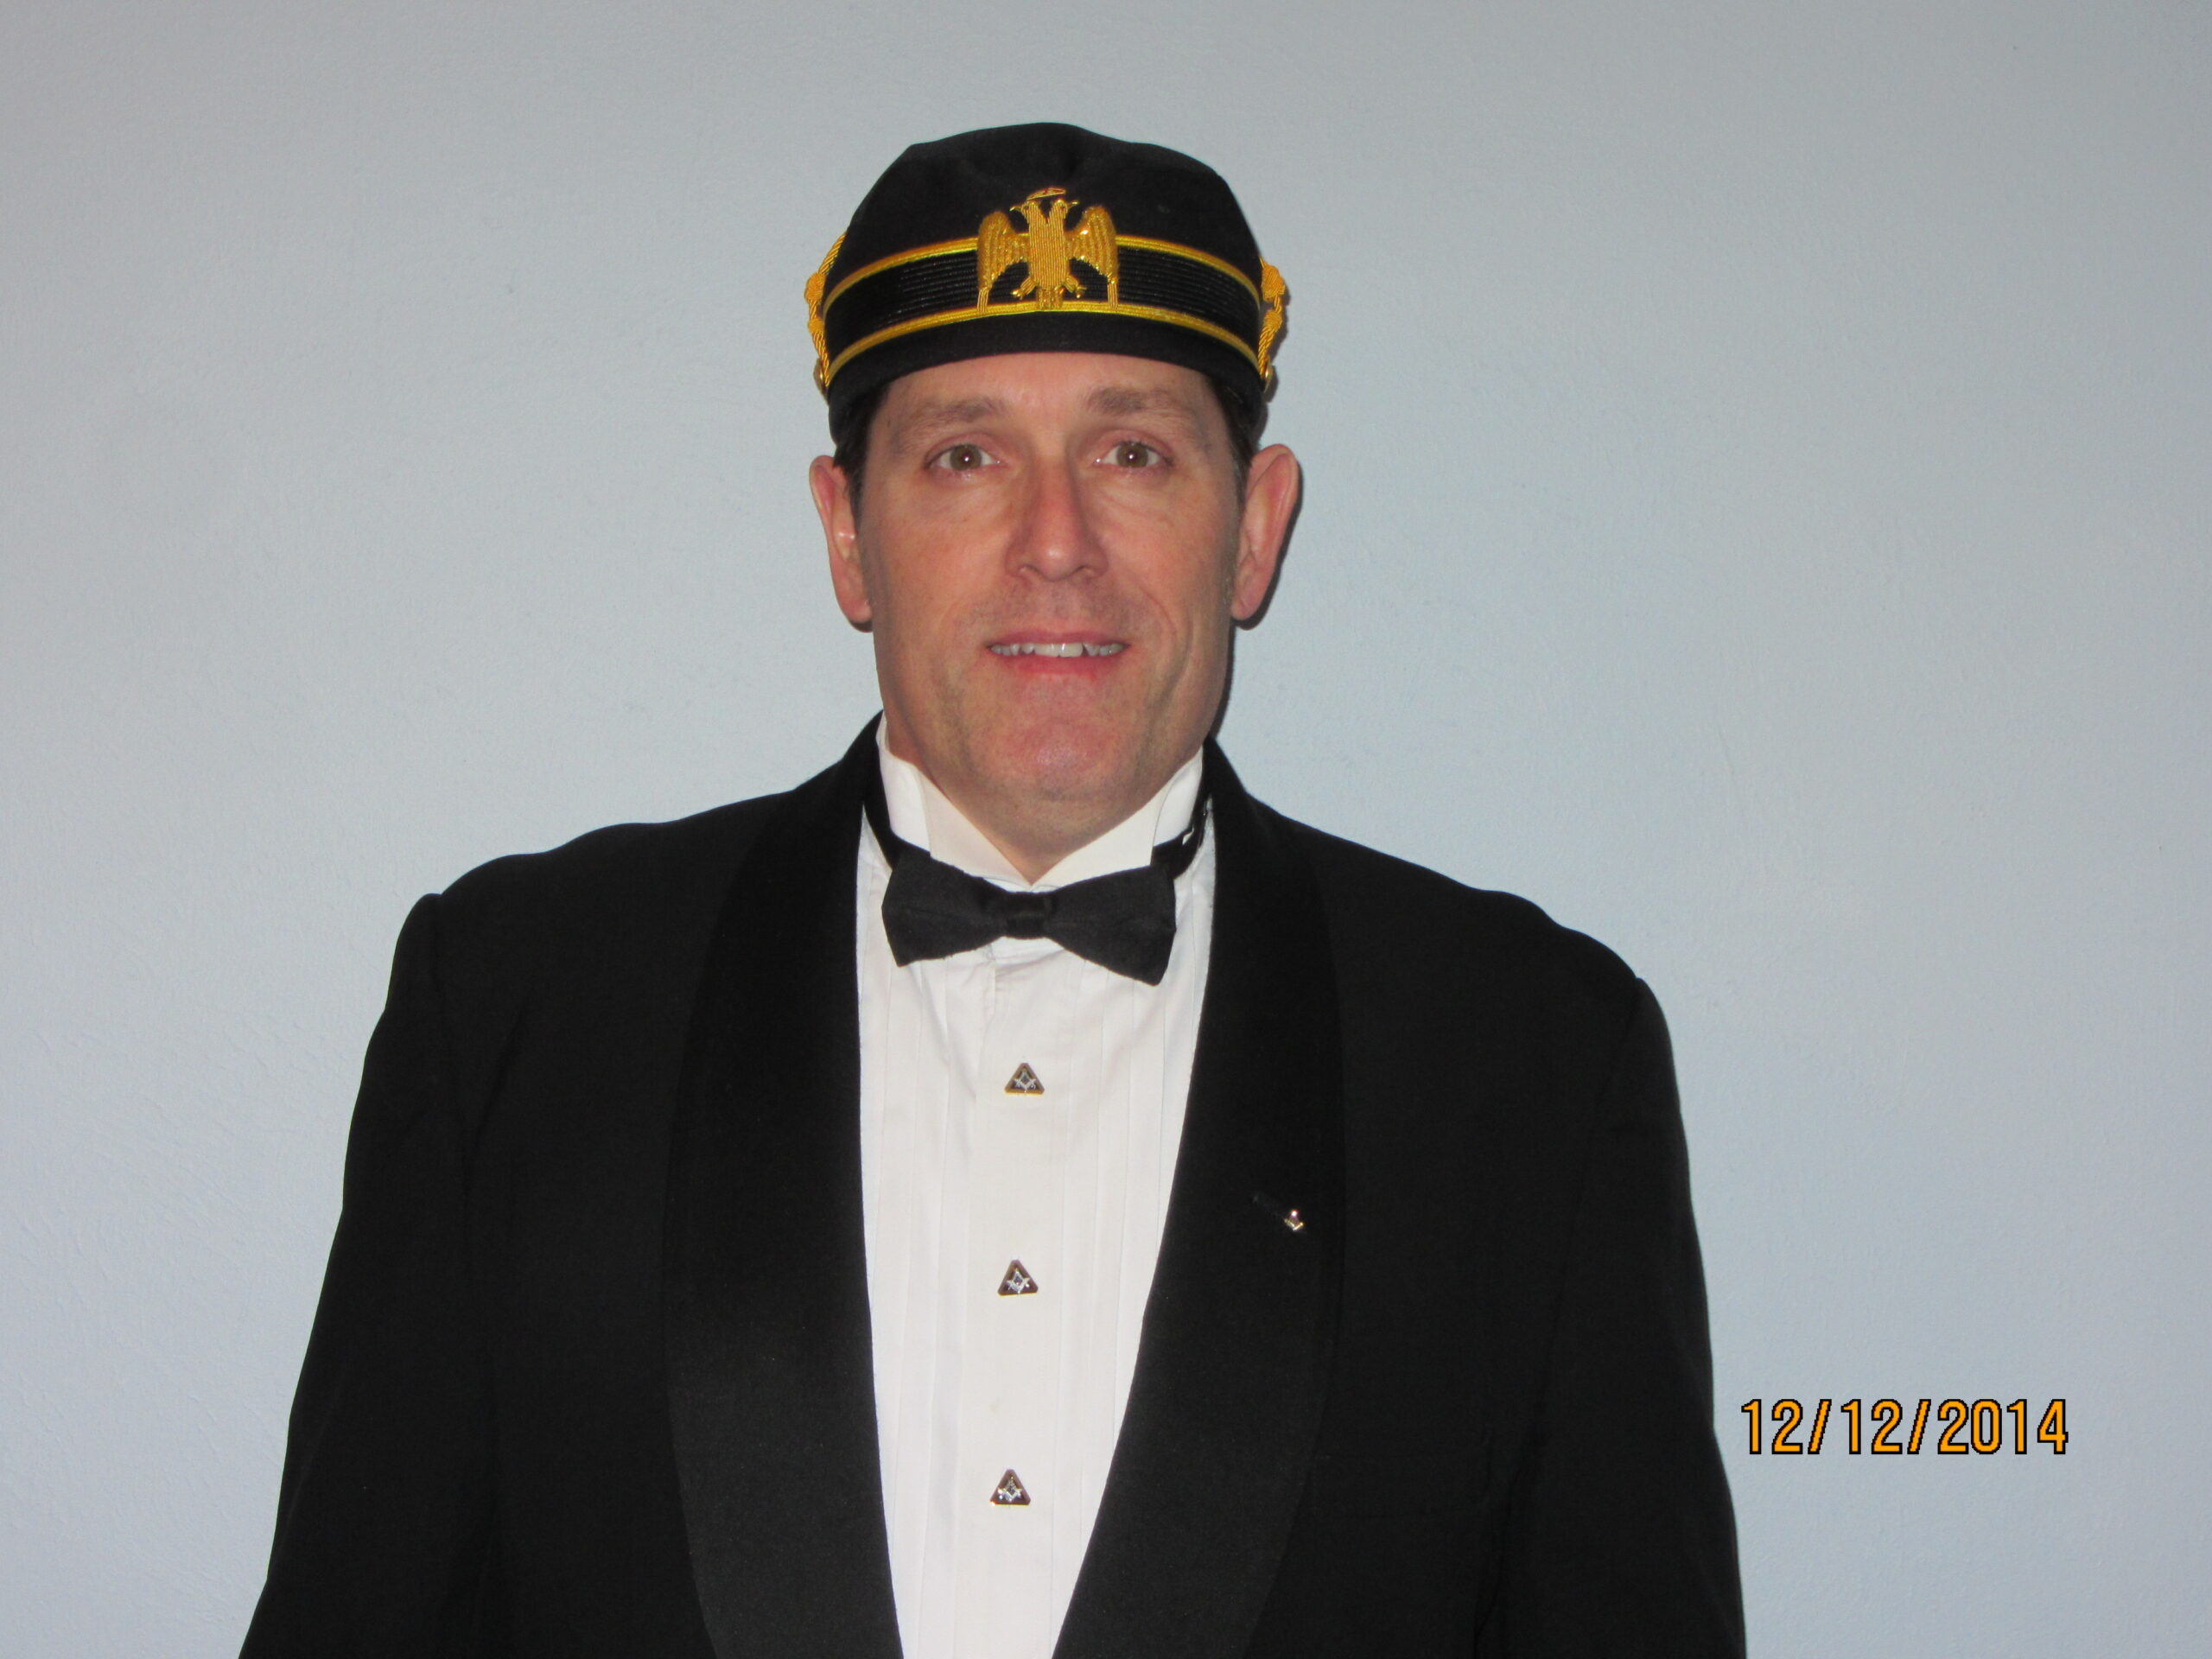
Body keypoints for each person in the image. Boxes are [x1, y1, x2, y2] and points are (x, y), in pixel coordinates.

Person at [242, 123, 1744, 1657]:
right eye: (966, 456)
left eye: (1133, 452)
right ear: (848, 534)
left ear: (1255, 525)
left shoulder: (1536, 1067)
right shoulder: (518, 1013)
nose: (1055, 545)